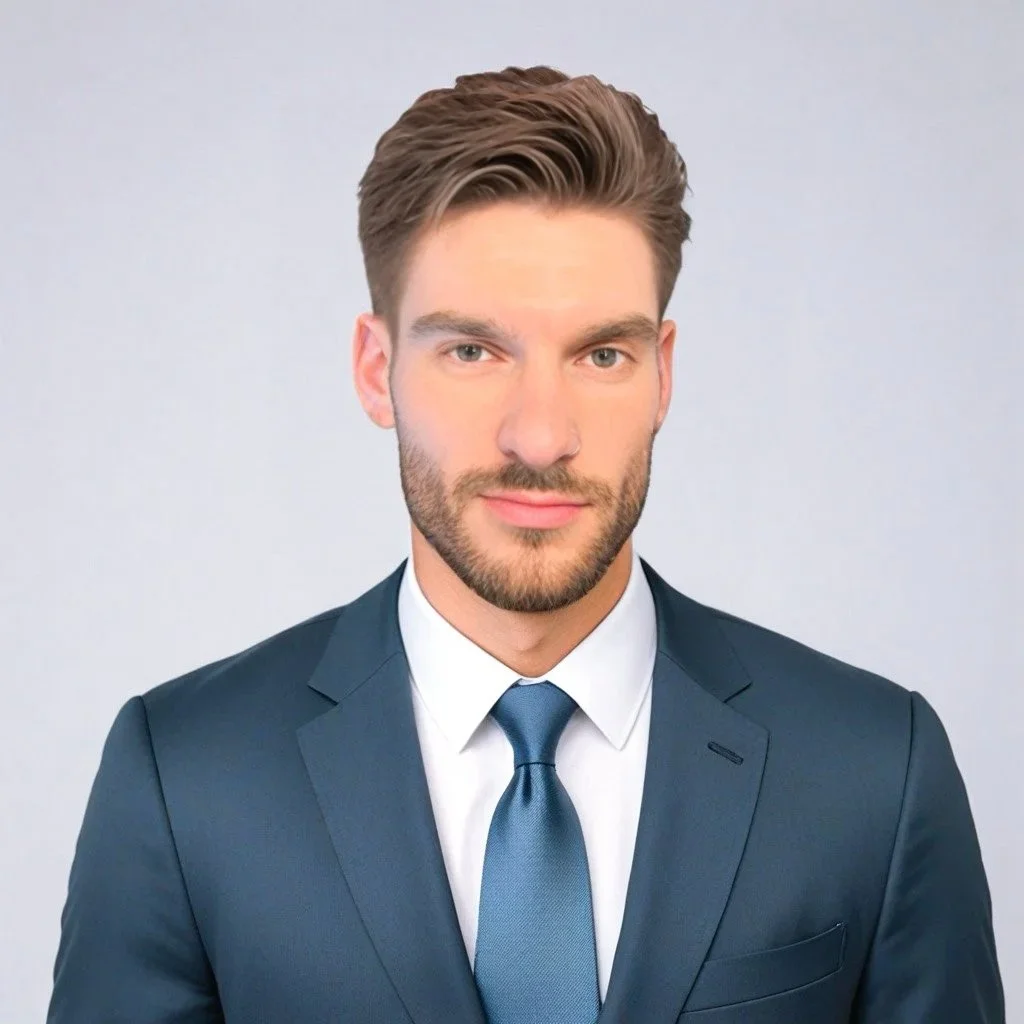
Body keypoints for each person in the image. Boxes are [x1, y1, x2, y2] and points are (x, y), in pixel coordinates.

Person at [47, 65, 1003, 1023]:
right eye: (472, 351)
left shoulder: (875, 772)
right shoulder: (185, 780)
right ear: (377, 371)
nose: (540, 437)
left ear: (662, 376)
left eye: (601, 354)